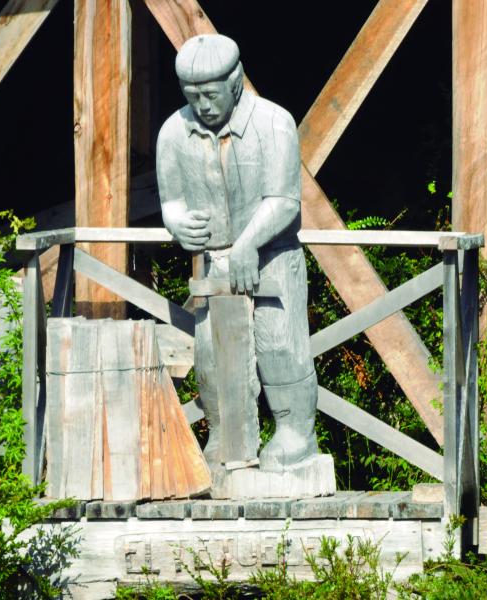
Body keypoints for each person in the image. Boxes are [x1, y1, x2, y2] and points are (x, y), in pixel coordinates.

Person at [156, 34, 318, 472]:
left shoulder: (274, 122)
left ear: (236, 81)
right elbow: (170, 201)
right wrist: (176, 223)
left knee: (279, 345)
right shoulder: (173, 132)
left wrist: (249, 243)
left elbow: (284, 199)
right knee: (212, 354)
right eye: (193, 96)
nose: (204, 105)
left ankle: (295, 433)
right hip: (214, 262)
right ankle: (226, 437)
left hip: (273, 252)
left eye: (211, 95)